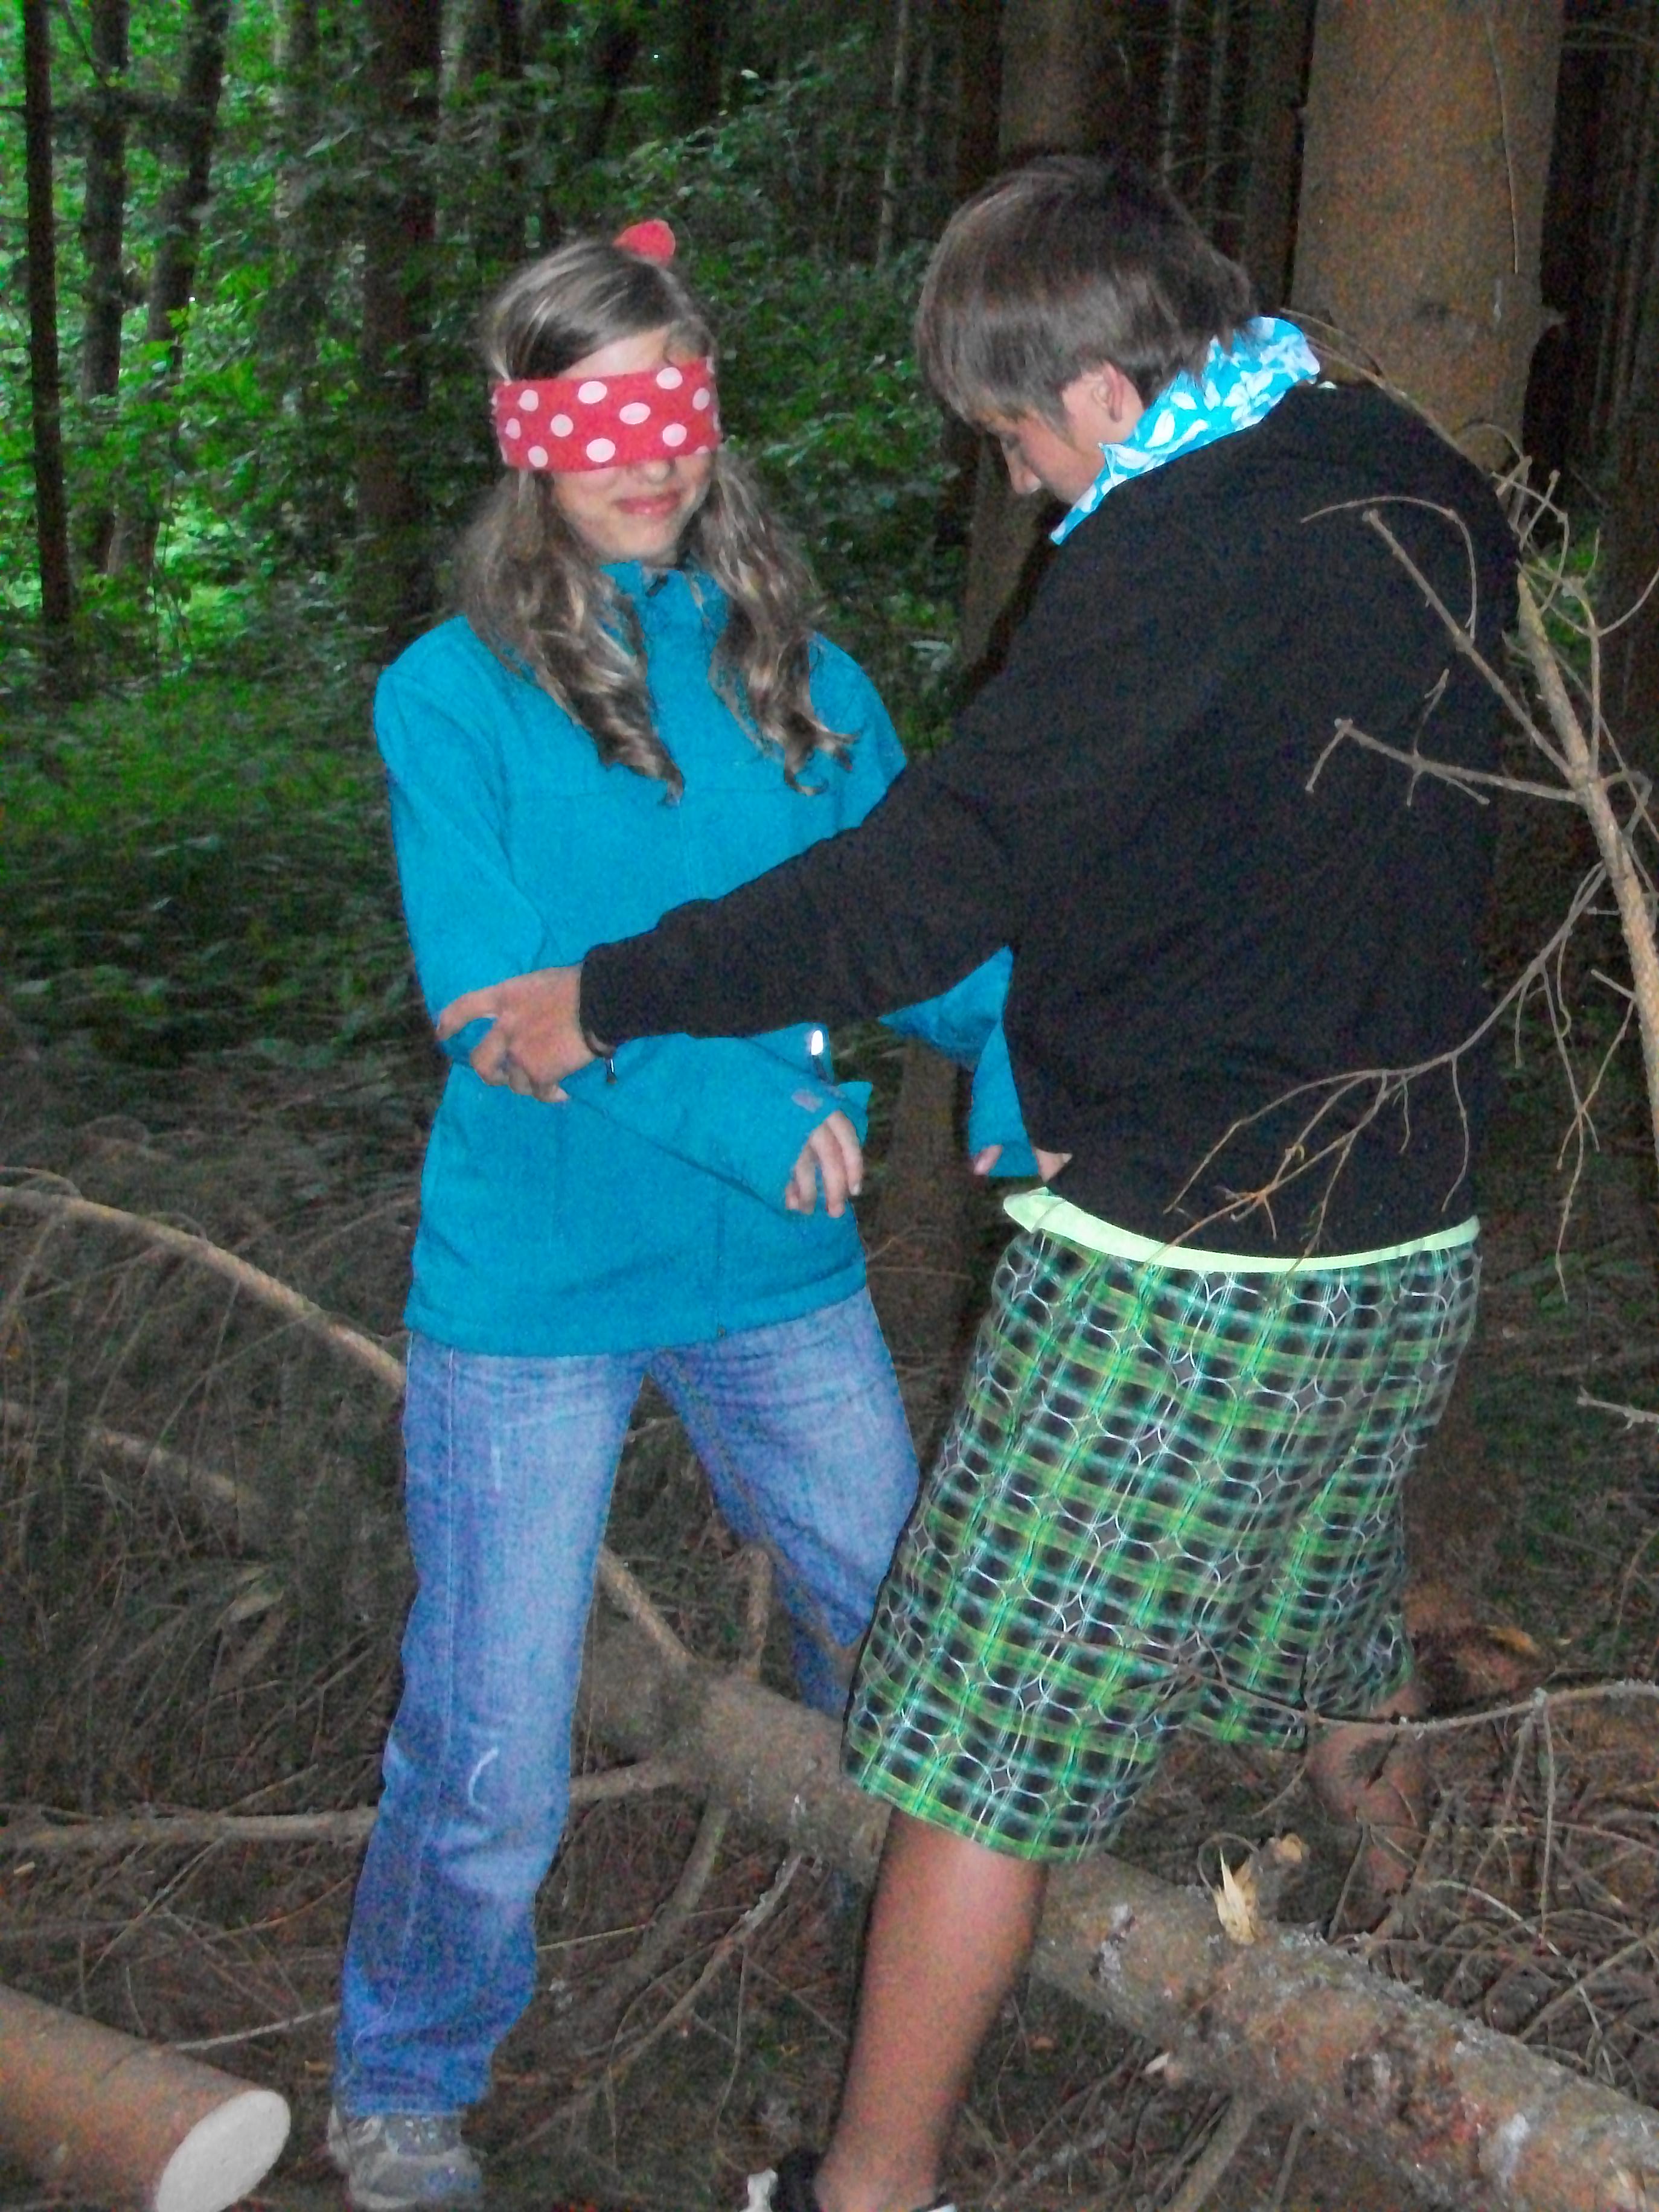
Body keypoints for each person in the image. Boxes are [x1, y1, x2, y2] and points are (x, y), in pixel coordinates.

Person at [437, 158, 1518, 2212]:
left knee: (967, 1748)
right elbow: (1258, 829)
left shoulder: (1173, 549)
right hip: (1412, 1219)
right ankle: (1434, 1967)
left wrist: (616, 992)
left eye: (1011, 435)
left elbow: (924, 887)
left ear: (1100, 389)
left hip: (1192, 1255)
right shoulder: (1405, 473)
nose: (1016, 480)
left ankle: (870, 2189)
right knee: (1322, 1622)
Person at [328, 219, 1028, 2212]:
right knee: (490, 1738)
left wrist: (1023, 1073)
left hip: (776, 1281)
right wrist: (732, 1105)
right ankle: (405, 2083)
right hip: (533, 1284)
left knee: (906, 1658)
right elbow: (493, 1001)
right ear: (524, 438)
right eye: (596, 418)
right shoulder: (449, 696)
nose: (644, 455)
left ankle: (888, 1997)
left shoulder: (798, 676)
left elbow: (921, 926)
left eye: (673, 407)